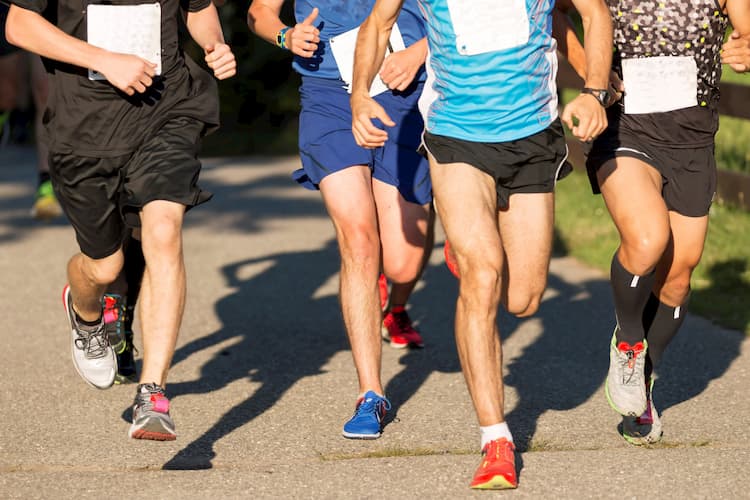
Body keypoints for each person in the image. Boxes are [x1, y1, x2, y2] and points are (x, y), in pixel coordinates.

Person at [351, 0, 613, 489]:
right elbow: (379, 22)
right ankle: (496, 439)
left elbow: (595, 13)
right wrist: (360, 97)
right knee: (483, 274)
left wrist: (594, 91)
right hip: (456, 137)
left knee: (524, 299)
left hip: (532, 136)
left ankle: (475, 242)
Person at [6, 0, 236, 440]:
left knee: (164, 229)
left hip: (167, 112)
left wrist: (214, 43)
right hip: (84, 130)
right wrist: (103, 60)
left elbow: (199, 7)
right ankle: (85, 311)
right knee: (105, 267)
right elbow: (19, 26)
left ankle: (153, 394)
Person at [247, 0, 434, 439]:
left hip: (403, 92)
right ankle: (371, 392)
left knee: (404, 262)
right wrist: (284, 35)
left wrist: (421, 50)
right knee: (358, 240)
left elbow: (464, 15)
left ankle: (394, 303)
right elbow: (259, 12)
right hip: (329, 97)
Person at [584, 0, 750, 445]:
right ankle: (629, 344)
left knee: (677, 278)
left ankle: (644, 382)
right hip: (626, 129)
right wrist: (593, 79)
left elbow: (747, 30)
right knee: (646, 238)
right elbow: (565, 13)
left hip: (693, 141)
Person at [0, 3, 60, 219]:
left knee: (44, 90)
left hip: (42, 8)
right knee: (7, 94)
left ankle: (46, 183)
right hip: (5, 8)